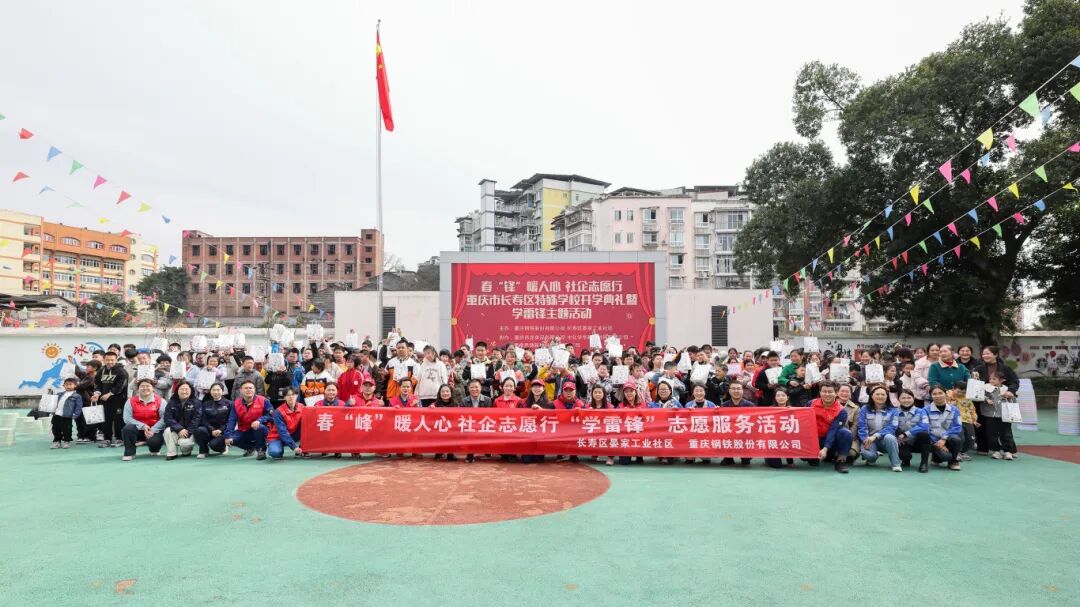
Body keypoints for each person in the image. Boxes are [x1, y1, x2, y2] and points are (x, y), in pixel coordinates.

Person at [969, 345, 1020, 455]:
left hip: (1002, 400)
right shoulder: (978, 368)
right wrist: (973, 377)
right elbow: (974, 385)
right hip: (983, 401)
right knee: (983, 426)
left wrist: (1011, 391)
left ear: (995, 354)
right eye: (983, 354)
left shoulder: (1005, 368)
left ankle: (1010, 449)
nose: (985, 356)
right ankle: (984, 448)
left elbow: (1015, 381)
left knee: (1005, 427)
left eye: (988, 353)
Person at [809, 381, 852, 473]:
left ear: (836, 393)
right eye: (824, 391)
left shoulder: (841, 411)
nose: (827, 394)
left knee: (846, 433)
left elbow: (833, 430)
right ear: (820, 392)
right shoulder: (811, 403)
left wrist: (825, 448)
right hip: (815, 439)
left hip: (832, 440)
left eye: (830, 392)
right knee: (809, 460)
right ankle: (816, 456)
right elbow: (802, 418)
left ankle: (840, 461)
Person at [120, 378, 167, 461]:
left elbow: (164, 418)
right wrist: (142, 426)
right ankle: (130, 452)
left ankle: (154, 449)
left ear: (153, 388)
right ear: (138, 389)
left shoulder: (161, 401)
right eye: (142, 386)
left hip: (154, 430)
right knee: (127, 428)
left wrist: (153, 429)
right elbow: (127, 419)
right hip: (137, 429)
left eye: (148, 386)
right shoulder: (130, 401)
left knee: (154, 442)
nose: (145, 388)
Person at [225, 380, 272, 460]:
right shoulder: (236, 403)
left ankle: (261, 449)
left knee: (258, 427)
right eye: (246, 388)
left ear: (254, 389)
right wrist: (228, 436)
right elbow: (232, 420)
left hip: (261, 429)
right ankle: (250, 448)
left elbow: (271, 415)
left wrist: (259, 420)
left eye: (250, 388)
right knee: (231, 439)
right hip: (244, 429)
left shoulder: (264, 400)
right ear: (241, 390)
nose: (248, 390)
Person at [857, 385, 901, 472]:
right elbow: (861, 426)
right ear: (872, 396)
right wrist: (865, 439)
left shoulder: (894, 410)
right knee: (869, 455)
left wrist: (876, 436)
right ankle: (874, 456)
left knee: (890, 437)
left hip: (885, 439)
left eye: (883, 394)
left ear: (887, 396)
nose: (880, 396)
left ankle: (895, 464)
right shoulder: (864, 409)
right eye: (877, 394)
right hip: (869, 439)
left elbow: (892, 427)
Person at [981, 371, 1018, 460]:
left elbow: (1014, 399)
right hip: (990, 415)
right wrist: (986, 400)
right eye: (990, 378)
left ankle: (1008, 451)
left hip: (1004, 415)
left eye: (994, 379)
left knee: (1006, 433)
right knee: (991, 433)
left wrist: (1009, 396)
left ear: (1002, 380)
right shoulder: (985, 388)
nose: (991, 380)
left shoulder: (1007, 389)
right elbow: (978, 395)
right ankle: (996, 451)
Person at [95, 351, 129, 448]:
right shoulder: (101, 370)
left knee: (118, 420)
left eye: (112, 360)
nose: (110, 362)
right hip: (105, 401)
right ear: (104, 360)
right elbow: (97, 384)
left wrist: (110, 394)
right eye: (107, 360)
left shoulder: (121, 371)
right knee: (106, 420)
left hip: (119, 401)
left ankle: (119, 439)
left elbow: (121, 386)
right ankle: (107, 439)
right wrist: (97, 394)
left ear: (116, 359)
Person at [925, 385, 963, 470]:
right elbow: (925, 428)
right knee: (945, 456)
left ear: (945, 394)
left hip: (947, 438)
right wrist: (937, 442)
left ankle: (953, 461)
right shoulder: (925, 410)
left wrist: (943, 439)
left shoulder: (955, 410)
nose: (938, 396)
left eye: (940, 393)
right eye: (934, 394)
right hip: (933, 441)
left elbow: (957, 426)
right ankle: (936, 457)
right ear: (931, 396)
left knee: (956, 439)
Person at [894, 389, 931, 472]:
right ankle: (906, 459)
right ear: (898, 399)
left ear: (913, 398)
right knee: (903, 455)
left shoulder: (922, 411)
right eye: (903, 398)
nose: (906, 400)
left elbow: (924, 426)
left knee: (924, 435)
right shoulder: (894, 412)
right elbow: (893, 426)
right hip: (903, 441)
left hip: (918, 441)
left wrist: (906, 434)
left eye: (909, 397)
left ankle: (924, 463)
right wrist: (898, 434)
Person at [163, 380, 201, 460]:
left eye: (186, 389)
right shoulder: (171, 402)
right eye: (182, 389)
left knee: (184, 443)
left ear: (191, 390)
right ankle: (172, 453)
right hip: (176, 430)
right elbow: (167, 417)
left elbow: (197, 419)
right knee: (167, 431)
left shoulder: (197, 403)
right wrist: (179, 429)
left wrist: (187, 432)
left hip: (189, 431)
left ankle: (186, 451)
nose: (184, 391)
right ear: (177, 390)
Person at [719, 383, 755, 466]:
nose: (736, 391)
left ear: (742, 390)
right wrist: (716, 412)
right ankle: (728, 457)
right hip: (729, 434)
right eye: (733, 389)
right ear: (729, 391)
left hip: (744, 435)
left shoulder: (750, 405)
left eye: (738, 389)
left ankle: (745, 456)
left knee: (746, 461)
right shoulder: (724, 406)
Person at [195, 382, 231, 458]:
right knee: (199, 430)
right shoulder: (205, 404)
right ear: (210, 392)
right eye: (213, 390)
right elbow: (203, 419)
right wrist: (212, 429)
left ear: (222, 391)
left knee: (214, 445)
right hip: (209, 430)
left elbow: (231, 420)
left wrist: (221, 430)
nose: (216, 392)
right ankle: (203, 450)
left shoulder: (229, 404)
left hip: (223, 432)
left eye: (218, 390)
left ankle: (223, 448)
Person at [267, 388, 304, 460]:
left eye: (293, 394)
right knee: (275, 453)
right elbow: (282, 432)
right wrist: (294, 447)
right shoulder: (278, 411)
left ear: (297, 395)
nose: (291, 397)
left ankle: (303, 448)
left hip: (293, 434)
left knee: (307, 426)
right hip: (277, 437)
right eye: (288, 395)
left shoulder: (302, 407)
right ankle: (273, 446)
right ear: (284, 397)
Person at [50, 376, 84, 449]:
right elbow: (53, 401)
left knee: (67, 429)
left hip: (67, 416)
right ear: (64, 385)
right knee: (55, 429)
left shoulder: (77, 396)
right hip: (57, 414)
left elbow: (78, 407)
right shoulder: (59, 394)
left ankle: (67, 441)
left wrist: (75, 414)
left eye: (70, 384)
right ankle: (57, 441)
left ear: (75, 385)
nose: (68, 386)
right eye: (66, 384)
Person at [952, 381, 977, 462]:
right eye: (958, 391)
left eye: (963, 392)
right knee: (960, 437)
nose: (961, 394)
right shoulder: (949, 397)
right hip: (956, 421)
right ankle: (957, 452)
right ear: (953, 389)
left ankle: (964, 452)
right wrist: (951, 401)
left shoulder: (968, 398)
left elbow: (972, 409)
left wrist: (974, 419)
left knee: (970, 437)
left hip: (968, 420)